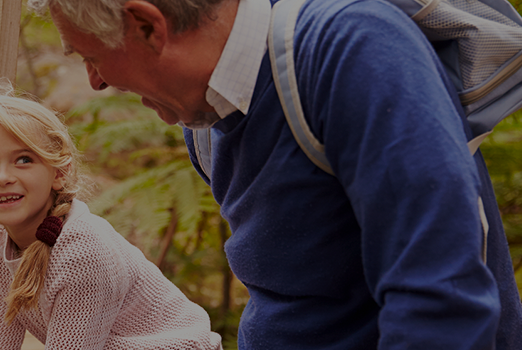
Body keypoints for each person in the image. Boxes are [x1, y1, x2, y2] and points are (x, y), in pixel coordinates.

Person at [29, 0, 522, 348]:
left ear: (146, 25)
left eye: (91, 56)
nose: (95, 82)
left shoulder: (351, 50)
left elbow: (443, 299)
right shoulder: (204, 121)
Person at [0, 81, 222, 349]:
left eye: (23, 160)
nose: (2, 177)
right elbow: (1, 335)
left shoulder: (83, 253)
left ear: (59, 172)